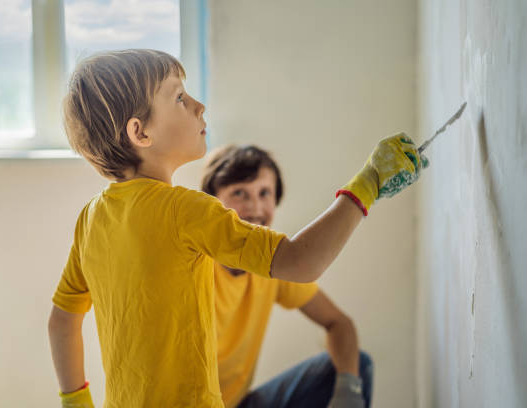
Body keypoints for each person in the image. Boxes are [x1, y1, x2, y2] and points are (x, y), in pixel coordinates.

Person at [47, 49, 426, 408]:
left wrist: (77, 402)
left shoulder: (90, 218)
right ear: (140, 132)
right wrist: (369, 182)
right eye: (179, 97)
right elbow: (301, 261)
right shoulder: (185, 211)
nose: (199, 105)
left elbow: (62, 320)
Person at [202, 145, 373, 408]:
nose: (255, 207)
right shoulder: (193, 262)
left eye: (264, 193)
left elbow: (340, 324)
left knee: (356, 366)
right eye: (239, 193)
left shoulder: (271, 266)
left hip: (237, 405)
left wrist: (348, 393)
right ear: (212, 201)